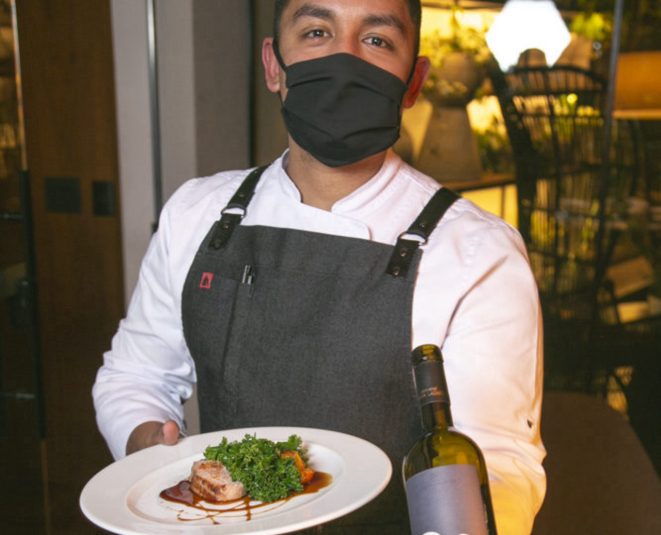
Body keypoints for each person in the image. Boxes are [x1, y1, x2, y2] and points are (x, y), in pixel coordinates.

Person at [93, 0, 546, 533]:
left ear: (413, 81)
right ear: (273, 66)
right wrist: (146, 443)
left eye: (377, 40)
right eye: (316, 32)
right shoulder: (196, 213)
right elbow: (135, 375)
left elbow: (498, 460)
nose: (344, 60)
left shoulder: (477, 252)